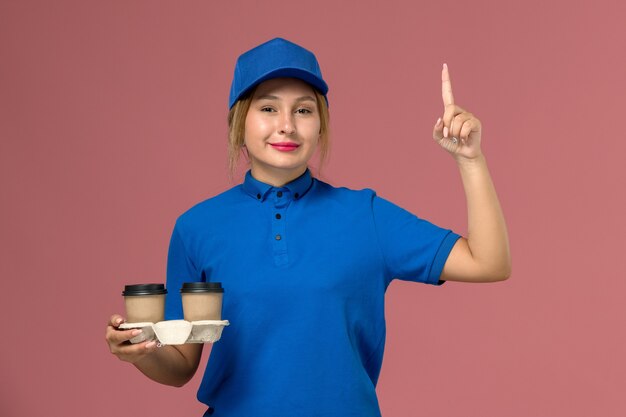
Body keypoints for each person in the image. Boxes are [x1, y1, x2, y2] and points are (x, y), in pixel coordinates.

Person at [106, 37, 511, 416]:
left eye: (303, 109)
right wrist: (142, 350)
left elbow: (488, 263)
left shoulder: (365, 215)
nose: (287, 125)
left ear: (320, 125)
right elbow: (180, 365)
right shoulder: (197, 227)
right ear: (239, 123)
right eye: (267, 109)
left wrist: (470, 160)